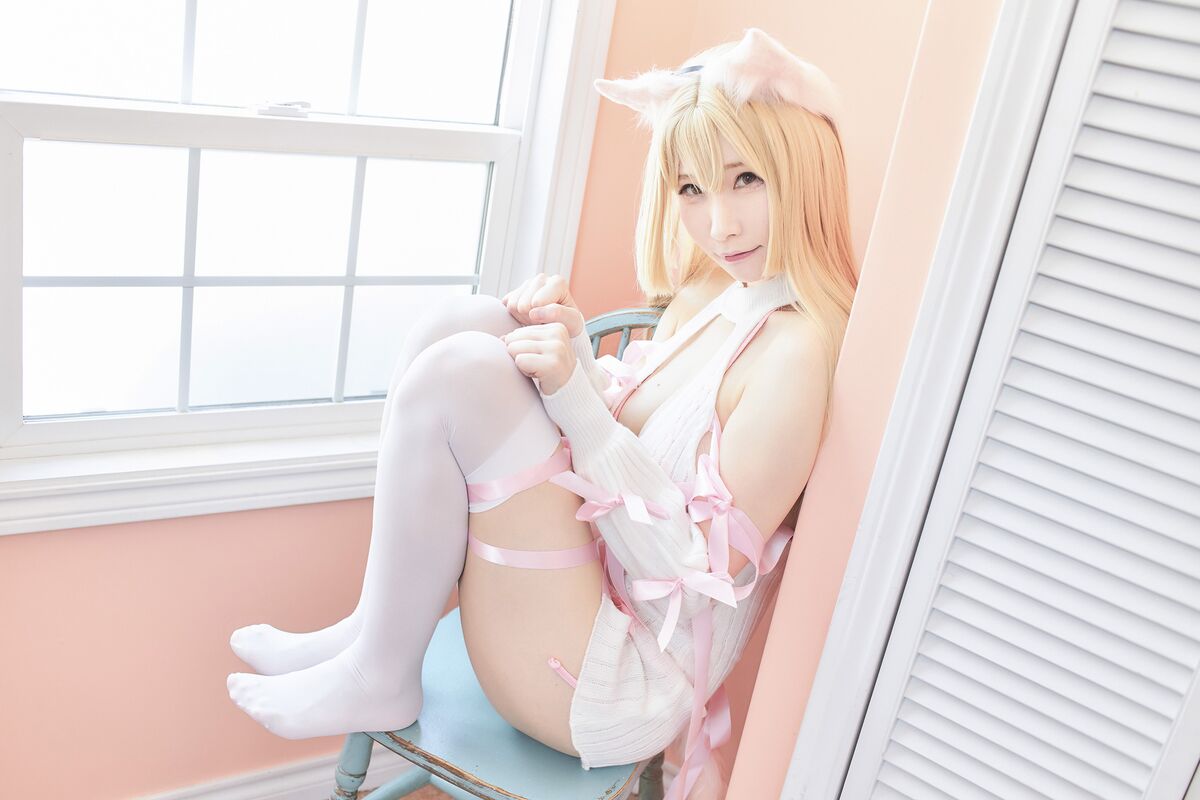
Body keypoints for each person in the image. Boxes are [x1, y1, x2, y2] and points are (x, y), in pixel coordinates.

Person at [225, 27, 856, 800]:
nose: (718, 224)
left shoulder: (796, 356)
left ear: (805, 169)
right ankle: (373, 633)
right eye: (692, 189)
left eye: (745, 178)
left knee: (462, 372)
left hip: (616, 682)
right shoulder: (718, 290)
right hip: (589, 586)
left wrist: (575, 399)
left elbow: (692, 581)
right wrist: (574, 354)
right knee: (466, 324)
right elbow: (644, 435)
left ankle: (380, 671)